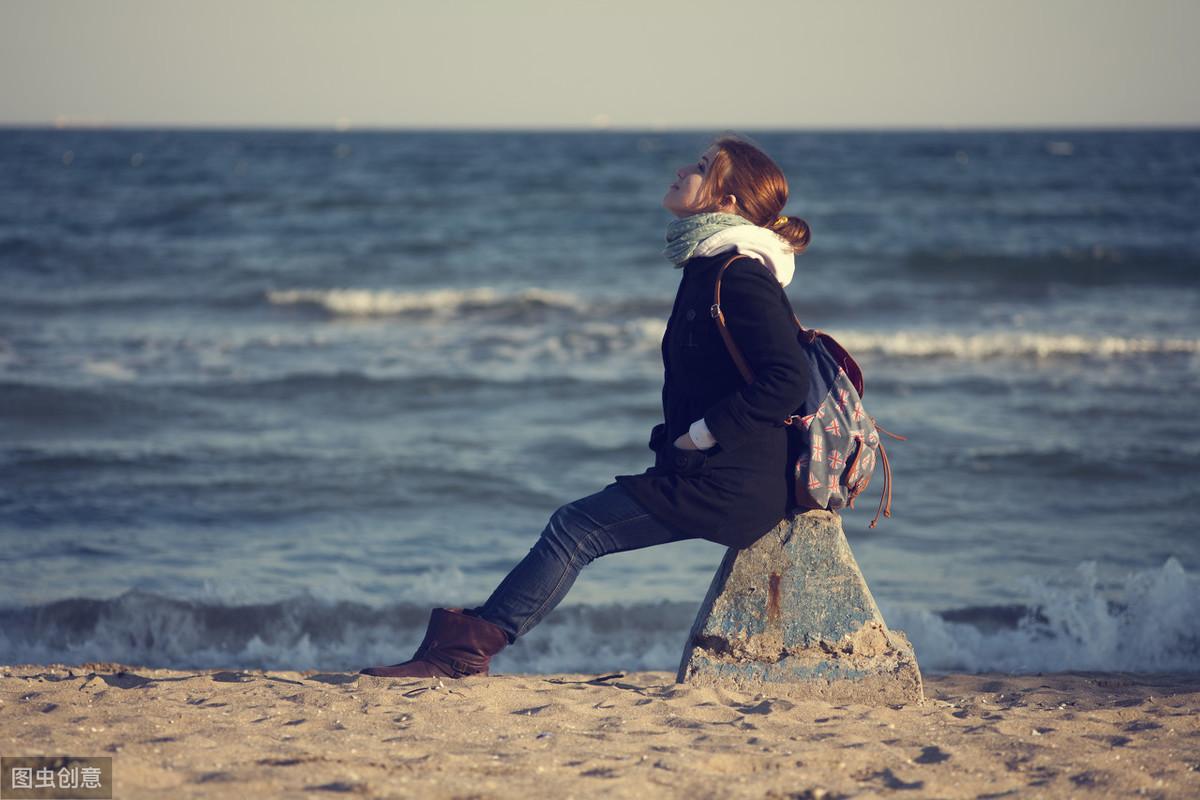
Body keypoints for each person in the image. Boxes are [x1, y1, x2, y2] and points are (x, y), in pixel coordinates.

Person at [359, 132, 813, 679]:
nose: (681, 170)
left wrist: (701, 434)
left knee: (575, 528)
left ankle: (467, 650)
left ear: (727, 201)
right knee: (574, 526)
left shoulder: (738, 273)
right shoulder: (707, 265)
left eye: (700, 166)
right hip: (709, 468)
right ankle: (464, 643)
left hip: (735, 482)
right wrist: (681, 440)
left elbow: (786, 379)